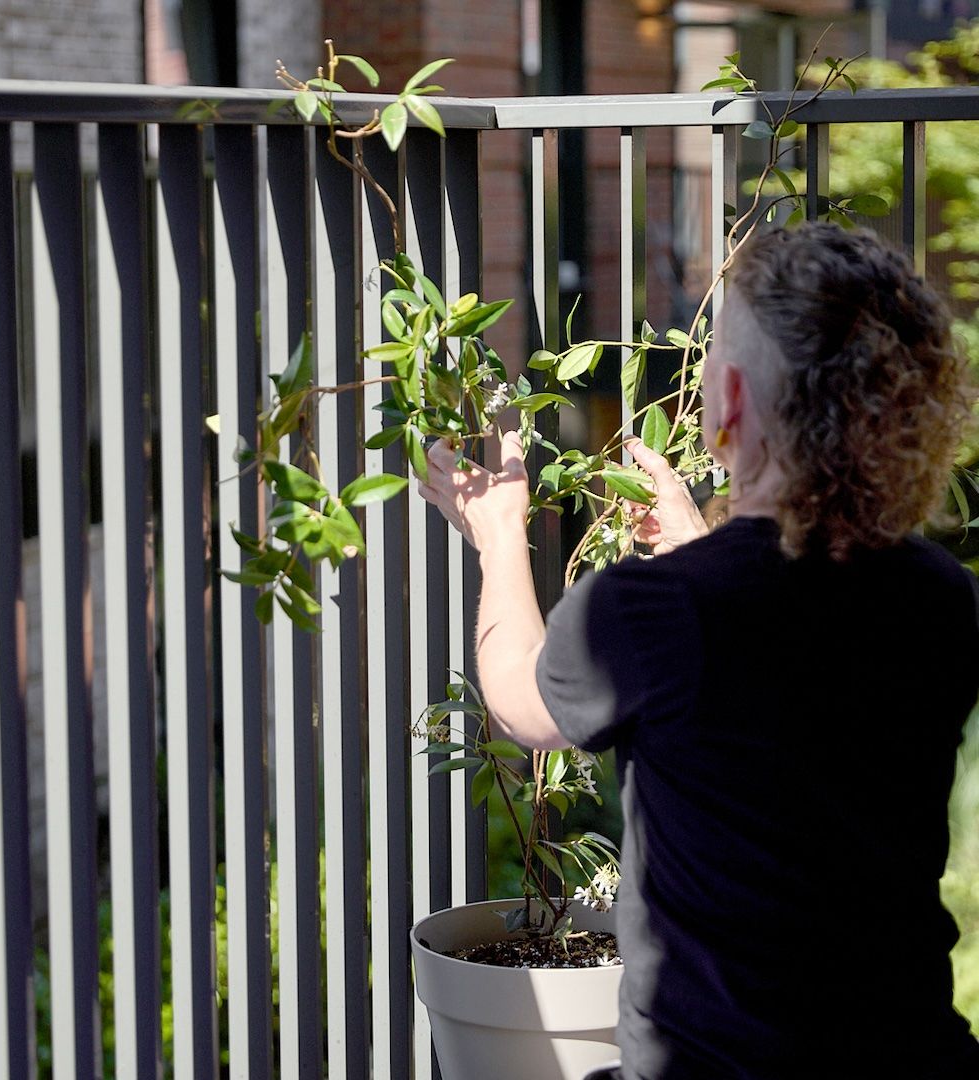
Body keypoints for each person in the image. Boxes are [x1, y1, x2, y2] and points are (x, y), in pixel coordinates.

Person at [418, 221, 979, 1079]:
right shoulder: (939, 596)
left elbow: (524, 708)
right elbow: (792, 653)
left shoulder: (654, 612)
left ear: (732, 404)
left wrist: (499, 538)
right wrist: (694, 548)